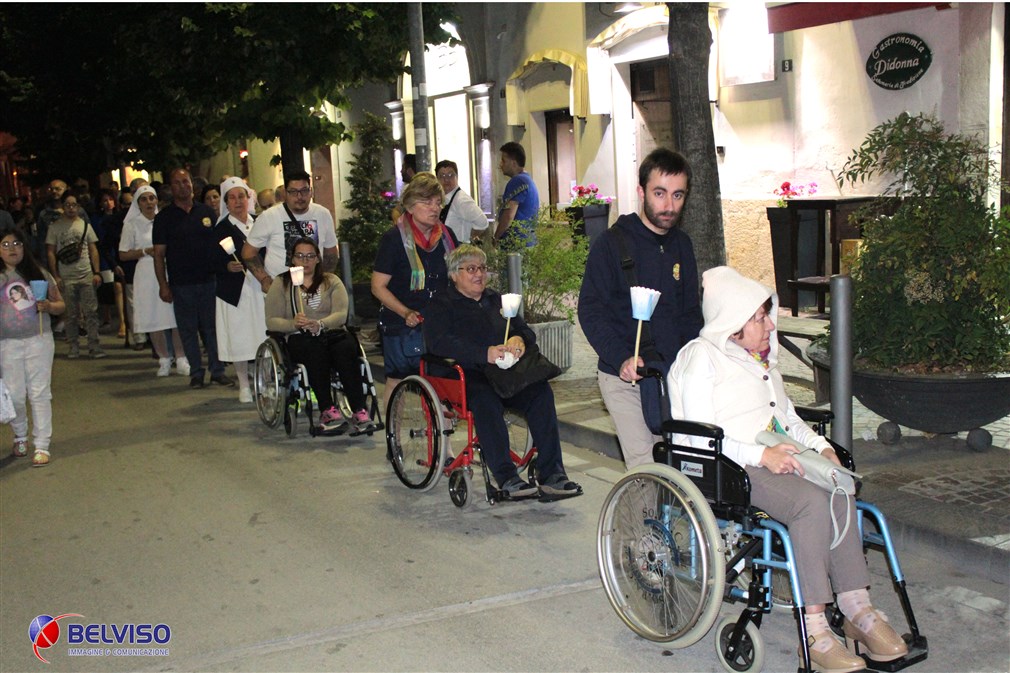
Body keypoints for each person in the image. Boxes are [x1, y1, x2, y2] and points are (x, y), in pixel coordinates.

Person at [668, 266, 909, 673]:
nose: (769, 325)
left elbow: (788, 420)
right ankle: (814, 632)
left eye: (767, 315)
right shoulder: (700, 358)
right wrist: (760, 456)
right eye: (758, 318)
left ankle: (857, 609)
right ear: (731, 322)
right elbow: (696, 437)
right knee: (811, 504)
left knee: (840, 489)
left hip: (780, 456)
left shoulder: (761, 363)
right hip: (730, 468)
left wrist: (822, 448)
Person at [424, 244, 582, 500]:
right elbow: (438, 343)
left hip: (505, 373)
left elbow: (525, 330)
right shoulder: (441, 304)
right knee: (485, 400)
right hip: (466, 373)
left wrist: (519, 339)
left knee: (541, 392)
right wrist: (483, 353)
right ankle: (507, 477)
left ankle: (552, 474)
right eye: (471, 269)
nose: (479, 274)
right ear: (454, 274)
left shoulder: (496, 300)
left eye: (482, 268)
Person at [578, 147, 702, 469]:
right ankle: (638, 502)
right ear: (641, 191)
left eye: (678, 195)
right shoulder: (610, 244)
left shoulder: (682, 245)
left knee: (684, 466)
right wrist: (621, 357)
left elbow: (690, 314)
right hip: (625, 378)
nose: (669, 205)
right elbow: (590, 310)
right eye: (660, 193)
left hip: (671, 375)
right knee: (648, 469)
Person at [265, 237, 375, 434]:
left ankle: (359, 409)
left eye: (310, 256)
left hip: (331, 331)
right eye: (300, 256)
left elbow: (341, 313)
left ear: (317, 259)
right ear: (292, 259)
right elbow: (272, 320)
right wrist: (292, 324)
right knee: (314, 350)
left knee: (346, 348)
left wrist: (321, 324)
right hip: (300, 337)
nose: (305, 260)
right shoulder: (282, 283)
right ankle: (327, 409)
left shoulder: (331, 281)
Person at [371, 172, 458, 410]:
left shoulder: (447, 236)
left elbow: (458, 275)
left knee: (442, 378)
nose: (434, 208)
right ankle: (393, 429)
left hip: (438, 320)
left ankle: (442, 431)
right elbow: (377, 286)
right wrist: (405, 312)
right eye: (427, 202)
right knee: (397, 377)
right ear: (410, 206)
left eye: (438, 203)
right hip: (401, 321)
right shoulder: (394, 239)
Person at [153, 168, 233, 389]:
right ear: (171, 187)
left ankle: (217, 370)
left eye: (186, 181)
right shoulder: (164, 218)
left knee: (212, 328)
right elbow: (158, 255)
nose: (183, 186)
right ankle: (196, 373)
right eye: (177, 183)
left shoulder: (206, 212)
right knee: (188, 330)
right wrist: (163, 285)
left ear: (192, 184)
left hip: (209, 280)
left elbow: (220, 244)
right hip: (181, 284)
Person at [1, 226, 65, 466]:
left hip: (39, 339)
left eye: (16, 244)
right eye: (5, 245)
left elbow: (61, 305)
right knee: (15, 396)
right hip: (7, 344)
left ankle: (42, 444)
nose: (12, 249)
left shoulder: (39, 273)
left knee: (39, 393)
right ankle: (20, 435)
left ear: (24, 247)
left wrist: (48, 306)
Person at [119, 185, 187, 377]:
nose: (149, 202)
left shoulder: (165, 220)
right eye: (144, 199)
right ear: (138, 203)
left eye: (152, 198)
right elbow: (123, 254)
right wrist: (144, 251)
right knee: (153, 317)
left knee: (174, 317)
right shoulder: (131, 224)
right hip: (146, 272)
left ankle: (181, 358)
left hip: (168, 269)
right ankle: (164, 358)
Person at [212, 177, 267, 403]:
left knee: (263, 334)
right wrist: (227, 266)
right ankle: (244, 384)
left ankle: (265, 380)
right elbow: (211, 259)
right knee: (240, 336)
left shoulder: (260, 223)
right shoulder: (221, 229)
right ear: (226, 203)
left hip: (260, 287)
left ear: (248, 198)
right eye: (232, 198)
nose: (238, 202)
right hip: (236, 291)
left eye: (241, 196)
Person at [241, 170, 339, 293]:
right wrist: (264, 279)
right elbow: (248, 252)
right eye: (293, 192)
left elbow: (331, 252)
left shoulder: (323, 214)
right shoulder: (269, 216)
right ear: (285, 193)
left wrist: (324, 280)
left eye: (304, 191)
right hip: (281, 291)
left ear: (311, 191)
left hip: (314, 289)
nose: (299, 196)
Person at [45, 190, 106, 359]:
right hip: (66, 276)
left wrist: (96, 272)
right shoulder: (55, 227)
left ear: (78, 206)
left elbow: (93, 249)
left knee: (91, 312)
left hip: (86, 274)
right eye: (67, 205)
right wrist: (56, 276)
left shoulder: (85, 225)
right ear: (62, 207)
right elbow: (50, 252)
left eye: (74, 205)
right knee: (70, 314)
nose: (71, 208)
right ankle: (73, 346)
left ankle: (94, 345)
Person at [494, 142, 539, 248]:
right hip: (527, 241)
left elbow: (509, 215)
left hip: (516, 245)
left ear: (513, 163)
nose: (500, 164)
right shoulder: (527, 180)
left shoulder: (517, 181)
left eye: (503, 160)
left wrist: (496, 238)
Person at [435, 160, 489, 243]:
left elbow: (483, 222)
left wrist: (469, 239)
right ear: (437, 179)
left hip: (459, 248)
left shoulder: (461, 200)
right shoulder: (444, 199)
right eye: (442, 176)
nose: (446, 179)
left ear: (457, 177)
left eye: (450, 175)